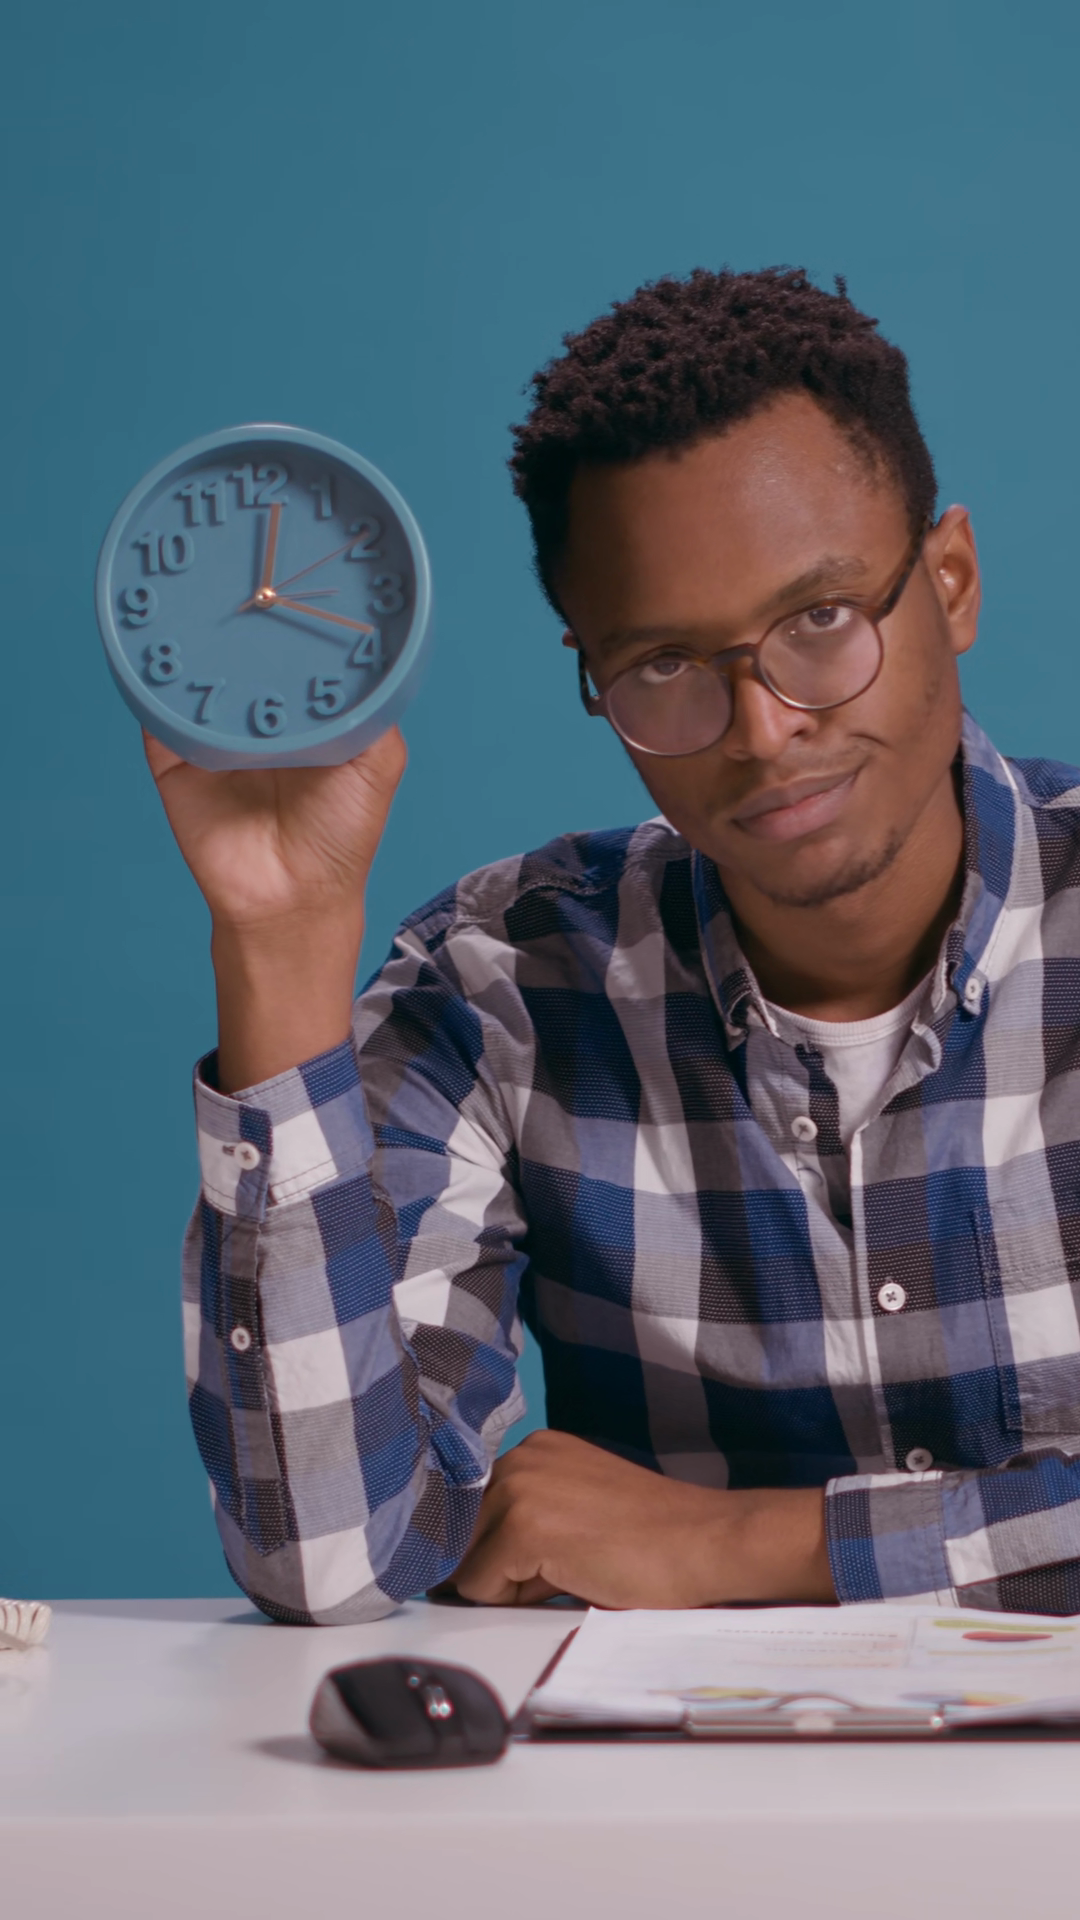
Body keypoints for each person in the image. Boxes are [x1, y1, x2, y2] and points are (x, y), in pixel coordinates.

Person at [151, 267, 1080, 1625]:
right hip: (657, 1772)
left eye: (822, 621)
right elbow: (334, 1560)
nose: (763, 728)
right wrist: (281, 937)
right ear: (593, 678)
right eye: (665, 666)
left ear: (951, 583)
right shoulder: (502, 989)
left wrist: (752, 1546)